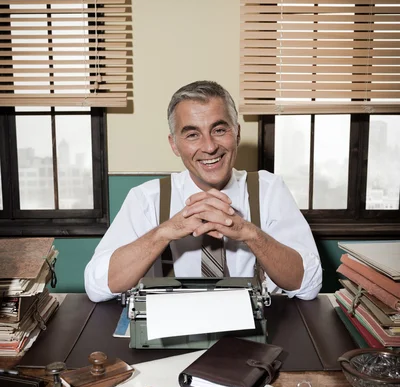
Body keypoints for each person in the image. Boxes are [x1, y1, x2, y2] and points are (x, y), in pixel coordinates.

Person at [85, 80, 322, 302]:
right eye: (192, 135)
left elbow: (309, 285)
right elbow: (97, 286)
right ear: (174, 144)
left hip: (253, 333)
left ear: (237, 133)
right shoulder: (146, 198)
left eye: (219, 130)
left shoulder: (270, 190)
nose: (209, 147)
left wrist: (248, 232)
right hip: (170, 333)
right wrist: (165, 232)